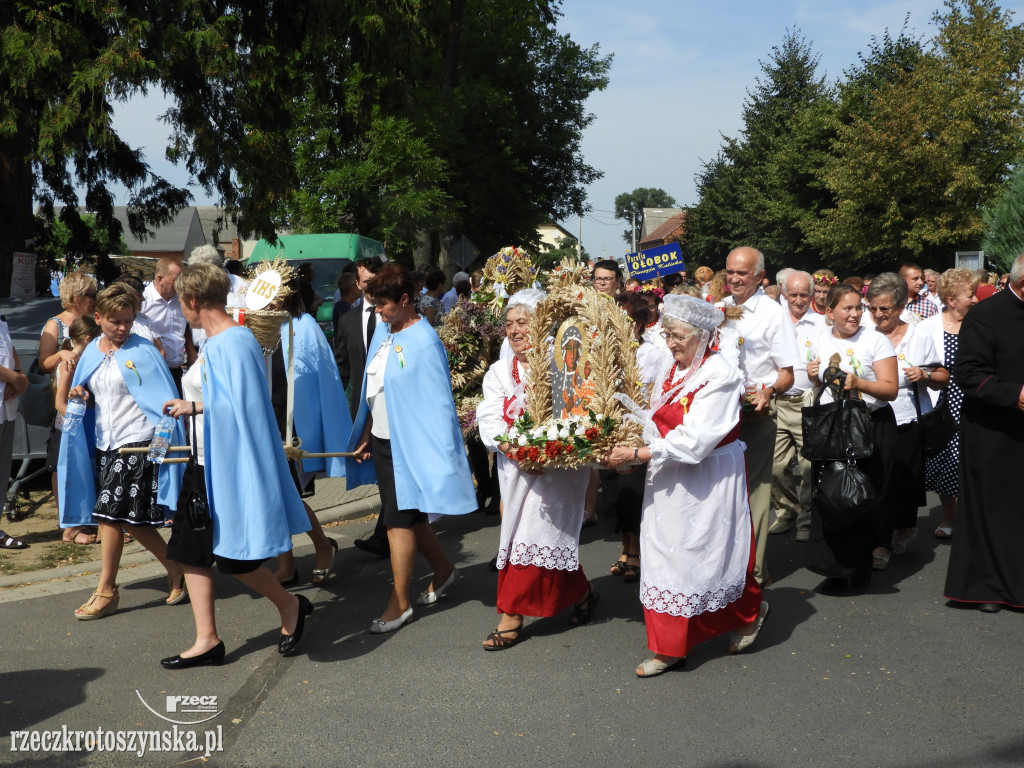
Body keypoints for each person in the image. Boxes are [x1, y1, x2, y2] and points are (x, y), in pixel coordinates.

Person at [159, 264, 314, 668]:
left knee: (235, 560)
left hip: (227, 465)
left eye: (181, 301)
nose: (181, 309)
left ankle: (290, 605)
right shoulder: (215, 341)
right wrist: (194, 406)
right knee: (190, 550)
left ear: (193, 300)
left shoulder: (235, 340)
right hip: (204, 460)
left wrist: (194, 406)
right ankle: (207, 639)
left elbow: (247, 407)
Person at [605, 295, 768, 677]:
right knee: (668, 555)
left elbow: (695, 441)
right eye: (667, 334)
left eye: (678, 336)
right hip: (668, 472)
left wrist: (639, 453)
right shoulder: (673, 367)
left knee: (710, 554)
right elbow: (657, 418)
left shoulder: (722, 375)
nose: (671, 343)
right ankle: (670, 647)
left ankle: (748, 612)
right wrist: (632, 452)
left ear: (703, 337)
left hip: (707, 478)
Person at [348, 264, 476, 633]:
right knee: (409, 514)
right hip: (385, 440)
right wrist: (367, 432)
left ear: (405, 300)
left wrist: (441, 454)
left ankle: (400, 601)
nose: (378, 312)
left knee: (397, 520)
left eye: (383, 305)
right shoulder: (387, 334)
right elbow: (378, 388)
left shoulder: (425, 340)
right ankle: (444, 569)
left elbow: (439, 403)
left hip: (411, 445)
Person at [475, 288, 598, 649]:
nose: (514, 331)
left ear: (542, 326)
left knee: (533, 536)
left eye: (523, 323)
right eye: (510, 324)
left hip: (557, 471)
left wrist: (550, 450)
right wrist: (513, 448)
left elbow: (582, 413)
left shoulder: (566, 365)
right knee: (534, 539)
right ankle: (582, 593)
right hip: (515, 468)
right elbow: (490, 415)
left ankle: (510, 615)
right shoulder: (499, 371)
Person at [58, 283, 187, 619]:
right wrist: (79, 393)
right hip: (106, 443)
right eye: (115, 321)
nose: (123, 328)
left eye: (128, 321)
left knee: (107, 515)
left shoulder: (144, 351)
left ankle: (106, 590)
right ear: (98, 318)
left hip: (141, 442)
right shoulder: (90, 352)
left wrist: (160, 454)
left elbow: (166, 405)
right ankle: (176, 567)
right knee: (129, 520)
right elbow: (87, 391)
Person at [943, 253, 1024, 613]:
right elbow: (969, 374)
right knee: (994, 510)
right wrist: (1015, 394)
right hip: (994, 430)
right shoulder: (986, 315)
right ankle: (987, 588)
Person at [805, 283, 898, 593]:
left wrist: (859, 382)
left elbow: (890, 388)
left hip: (869, 424)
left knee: (861, 494)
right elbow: (817, 382)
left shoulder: (876, 340)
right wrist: (812, 373)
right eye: (848, 308)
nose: (856, 314)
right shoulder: (819, 340)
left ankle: (859, 568)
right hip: (834, 426)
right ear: (830, 312)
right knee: (832, 493)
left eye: (859, 307)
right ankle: (835, 567)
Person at [717, 247, 798, 587]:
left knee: (755, 495)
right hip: (719, 415)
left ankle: (755, 572)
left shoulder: (771, 313)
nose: (734, 279)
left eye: (742, 274)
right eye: (730, 272)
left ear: (760, 278)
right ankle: (725, 566)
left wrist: (767, 392)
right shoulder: (718, 309)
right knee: (722, 493)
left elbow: (787, 374)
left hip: (755, 416)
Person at [268, 280, 347, 585]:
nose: (269, 305)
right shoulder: (260, 330)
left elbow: (321, 379)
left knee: (287, 493)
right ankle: (287, 561)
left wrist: (312, 428)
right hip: (267, 418)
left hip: (292, 422)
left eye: (275, 299)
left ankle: (322, 546)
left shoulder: (304, 326)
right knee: (275, 494)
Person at [865, 273, 947, 570]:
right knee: (879, 481)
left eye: (884, 309)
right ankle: (880, 540)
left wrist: (924, 375)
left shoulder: (917, 335)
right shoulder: (864, 333)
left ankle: (903, 526)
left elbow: (942, 376)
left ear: (900, 307)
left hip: (908, 416)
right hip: (871, 417)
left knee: (906, 480)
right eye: (872, 307)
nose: (877, 315)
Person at [605, 293, 668, 582]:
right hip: (611, 427)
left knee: (633, 491)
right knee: (618, 492)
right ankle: (625, 547)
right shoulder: (605, 351)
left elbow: (655, 395)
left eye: (626, 320)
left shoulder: (652, 353)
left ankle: (638, 552)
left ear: (640, 323)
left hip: (639, 431)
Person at [38, 271, 98, 544]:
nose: (95, 300)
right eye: (91, 295)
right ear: (76, 298)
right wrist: (63, 354)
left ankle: (85, 519)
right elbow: (43, 363)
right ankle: (69, 520)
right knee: (62, 463)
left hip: (86, 407)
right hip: (68, 406)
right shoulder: (55, 325)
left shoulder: (94, 324)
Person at [334, 257, 389, 557]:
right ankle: (394, 526)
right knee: (380, 470)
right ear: (357, 284)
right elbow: (342, 367)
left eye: (374, 282)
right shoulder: (348, 319)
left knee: (389, 469)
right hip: (361, 407)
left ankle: (386, 530)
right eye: (364, 283)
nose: (369, 289)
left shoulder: (394, 315)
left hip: (390, 405)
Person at [919, 268, 980, 539]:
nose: (976, 299)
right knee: (946, 458)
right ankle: (948, 516)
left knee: (973, 459)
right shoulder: (928, 326)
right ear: (952, 299)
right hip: (943, 400)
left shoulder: (979, 323)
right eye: (971, 295)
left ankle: (974, 517)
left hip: (975, 399)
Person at [769, 270, 825, 543]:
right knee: (776, 465)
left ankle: (805, 518)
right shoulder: (774, 320)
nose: (799, 300)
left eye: (804, 294)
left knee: (807, 466)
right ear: (783, 293)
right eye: (793, 294)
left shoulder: (821, 325)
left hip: (807, 400)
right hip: (777, 401)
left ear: (812, 295)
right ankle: (785, 510)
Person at [0, 314, 29, 549]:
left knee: (1, 470)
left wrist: (19, 374)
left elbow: (8, 346)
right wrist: (16, 378)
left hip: (5, 406)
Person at [139, 257, 188, 393]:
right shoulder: (143, 300)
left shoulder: (181, 300)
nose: (181, 284)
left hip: (176, 370)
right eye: (176, 280)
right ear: (160, 279)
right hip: (151, 372)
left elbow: (187, 328)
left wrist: (190, 350)